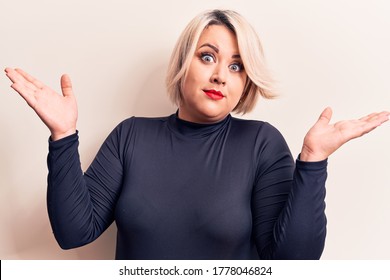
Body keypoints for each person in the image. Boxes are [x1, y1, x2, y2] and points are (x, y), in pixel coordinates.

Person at [4, 9, 389, 260]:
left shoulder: (261, 144)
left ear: (246, 83)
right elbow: (74, 232)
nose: (221, 74)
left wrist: (313, 162)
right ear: (183, 63)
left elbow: (295, 260)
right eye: (208, 57)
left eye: (237, 66)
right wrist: (63, 135)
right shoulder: (131, 137)